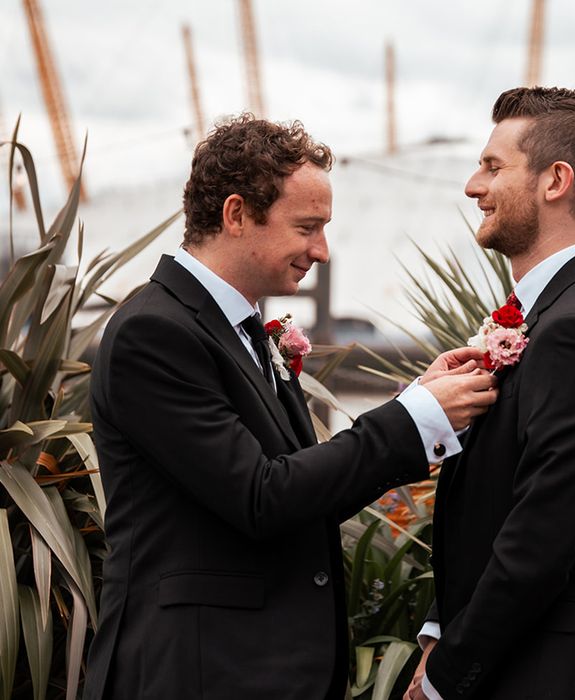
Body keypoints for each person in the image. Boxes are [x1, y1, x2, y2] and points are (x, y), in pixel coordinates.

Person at [82, 116, 498, 700]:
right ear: (235, 214)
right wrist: (416, 419)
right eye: (307, 227)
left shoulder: (243, 330)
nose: (322, 251)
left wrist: (412, 401)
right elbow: (261, 497)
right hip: (198, 674)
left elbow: (306, 490)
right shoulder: (153, 332)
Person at [405, 87, 575, 699]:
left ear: (555, 181)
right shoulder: (551, 316)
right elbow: (493, 505)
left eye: (493, 167)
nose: (472, 185)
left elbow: (538, 543)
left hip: (549, 674)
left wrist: (443, 679)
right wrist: (439, 626)